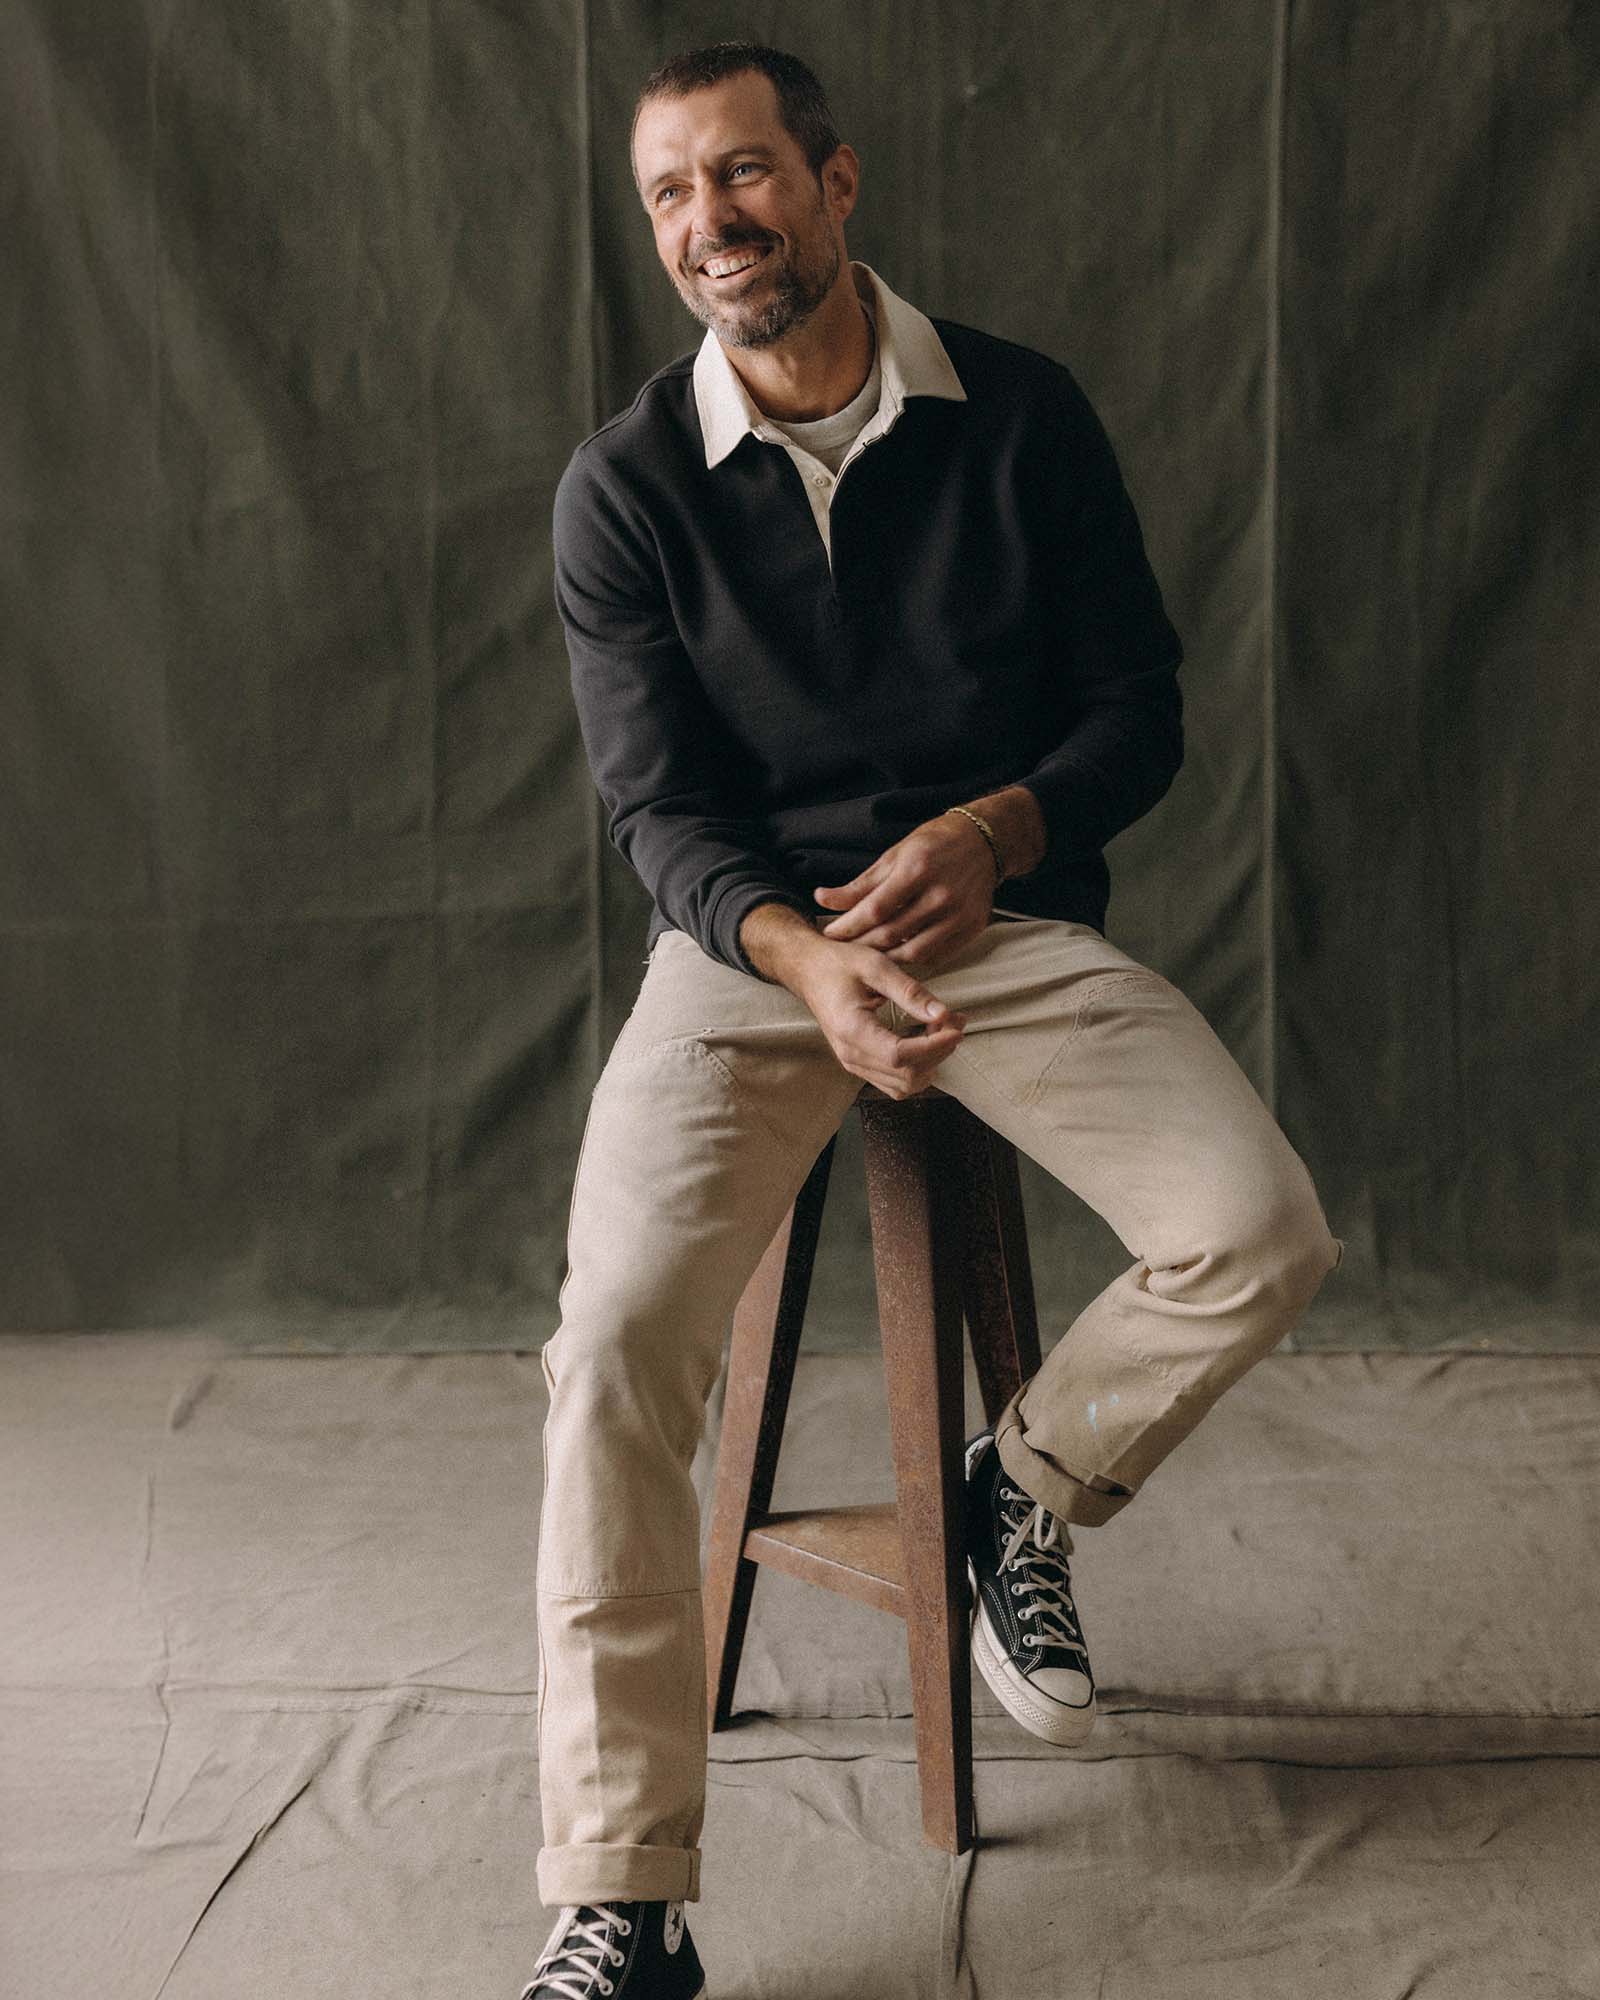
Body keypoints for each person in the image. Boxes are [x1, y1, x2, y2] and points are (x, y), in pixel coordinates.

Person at [520, 41, 1340, 2000]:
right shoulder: (626, 488)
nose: (707, 224)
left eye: (742, 177)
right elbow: (658, 815)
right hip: (750, 963)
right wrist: (799, 958)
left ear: (834, 179)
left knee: (1260, 1227)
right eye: (668, 197)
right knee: (615, 1340)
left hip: (1000, 925)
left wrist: (994, 829)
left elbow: (1133, 705)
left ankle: (1012, 1485)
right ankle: (617, 1894)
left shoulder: (1020, 415)